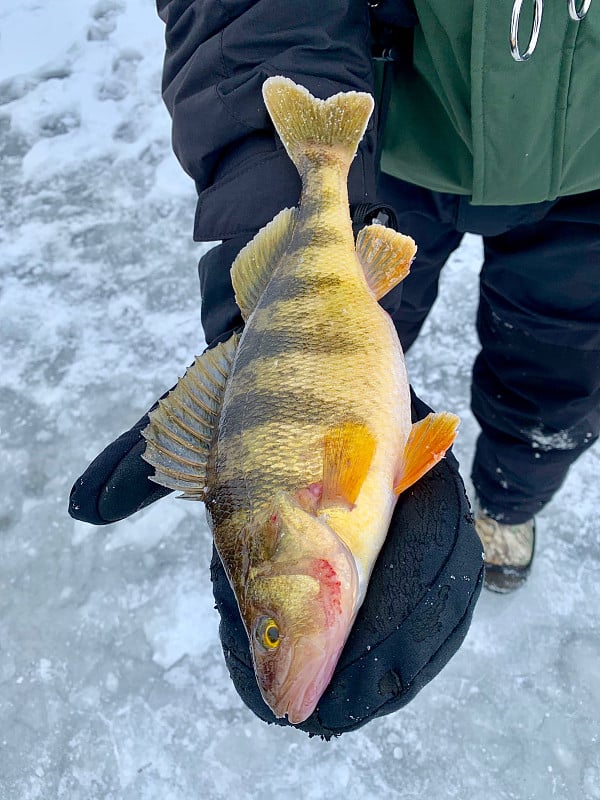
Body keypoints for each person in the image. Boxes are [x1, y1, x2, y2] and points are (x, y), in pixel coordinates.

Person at [69, 0, 598, 734]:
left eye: (270, 632)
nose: (274, 644)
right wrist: (276, 191)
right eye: (271, 633)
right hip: (398, 138)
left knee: (562, 377)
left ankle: (511, 503)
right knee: (380, 325)